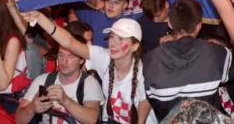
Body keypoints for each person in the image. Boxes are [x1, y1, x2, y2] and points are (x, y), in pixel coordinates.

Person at [23, 12, 155, 124]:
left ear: (135, 46)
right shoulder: (103, 57)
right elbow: (69, 42)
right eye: (112, 37)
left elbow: (144, 104)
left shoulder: (145, 72)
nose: (113, 43)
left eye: (121, 39)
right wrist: (40, 17)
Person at [143, 0, 234, 121]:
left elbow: (149, 100)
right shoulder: (216, 54)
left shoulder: (149, 60)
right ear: (199, 26)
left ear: (170, 23)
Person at [16, 29, 104, 124]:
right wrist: (31, 108)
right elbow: (18, 120)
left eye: (71, 57)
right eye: (61, 55)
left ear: (82, 60)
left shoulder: (89, 83)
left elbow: (92, 119)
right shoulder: (43, 80)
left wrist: (65, 100)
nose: (64, 61)